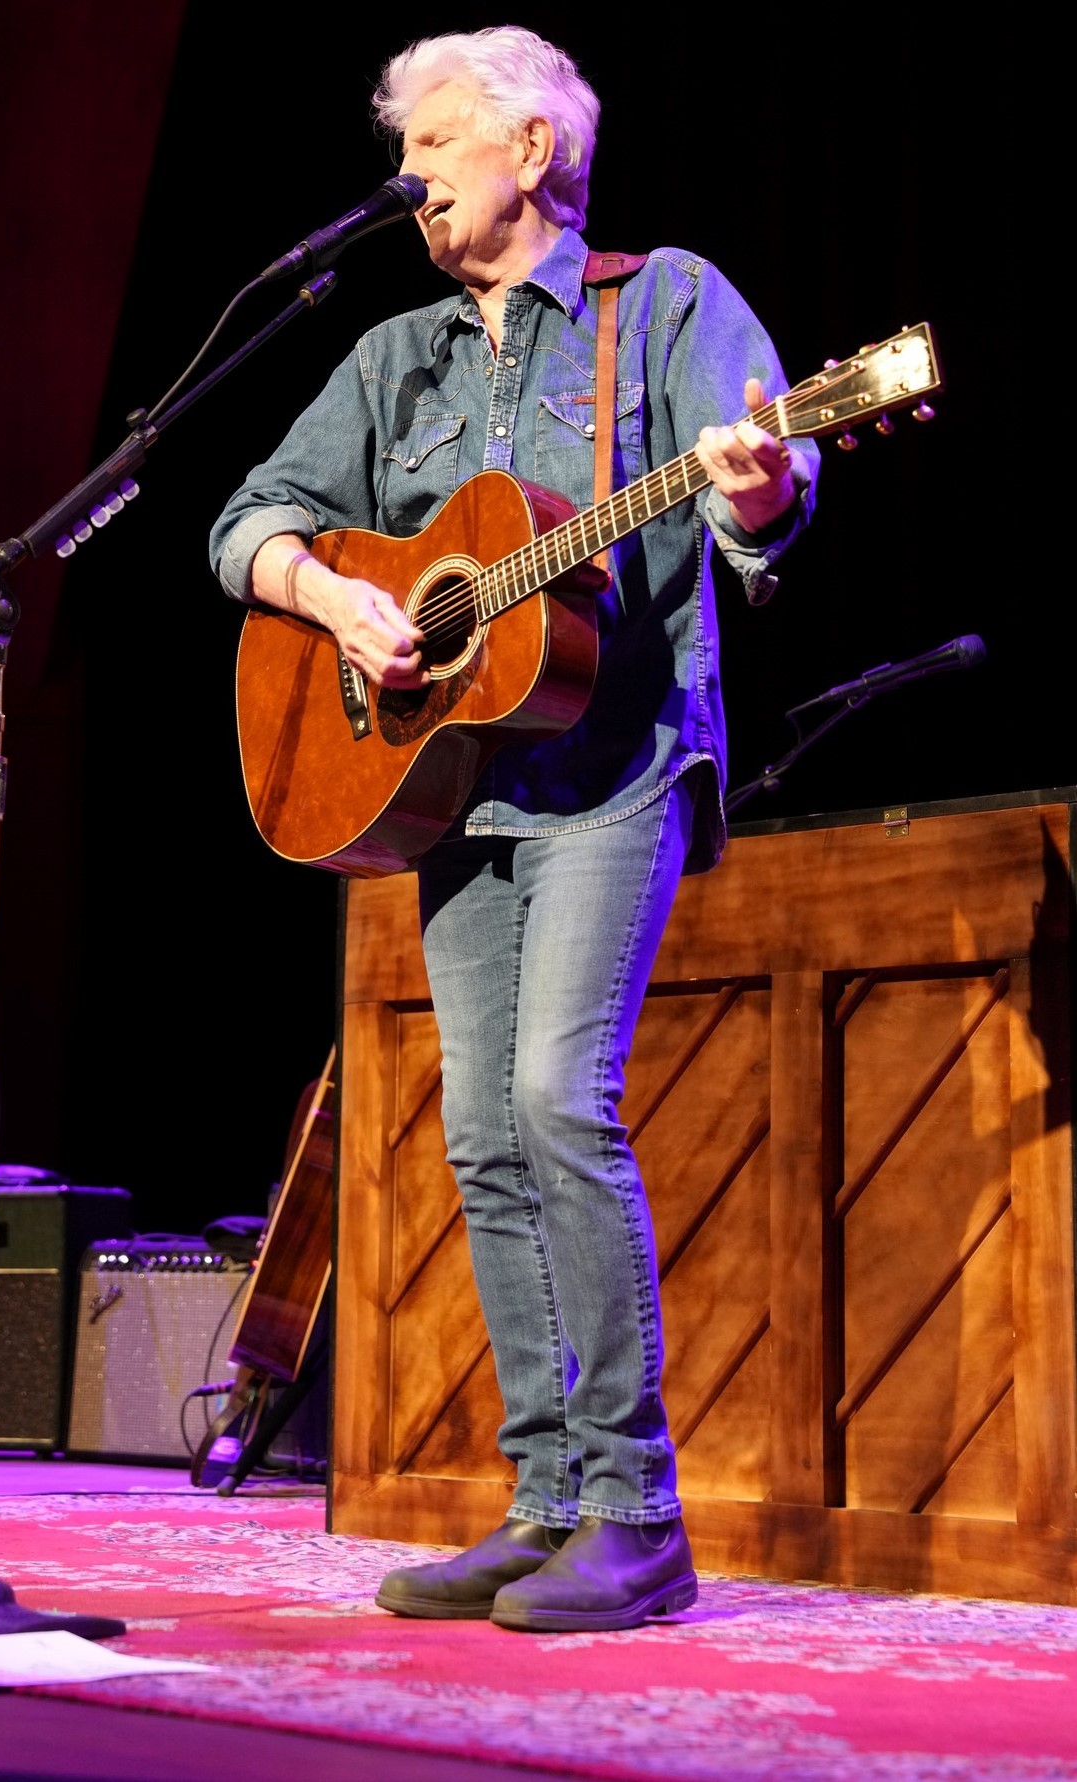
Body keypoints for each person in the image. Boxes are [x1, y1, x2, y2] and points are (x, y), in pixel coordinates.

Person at [208, 25, 819, 1633]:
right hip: (458, 791)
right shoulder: (394, 360)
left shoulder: (661, 303)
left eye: (435, 143)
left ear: (533, 149)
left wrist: (759, 487)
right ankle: (545, 1501)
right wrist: (337, 597)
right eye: (403, 150)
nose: (408, 176)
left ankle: (636, 1511)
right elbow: (245, 523)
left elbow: (769, 493)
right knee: (482, 1134)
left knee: (557, 1097)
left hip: (619, 770)